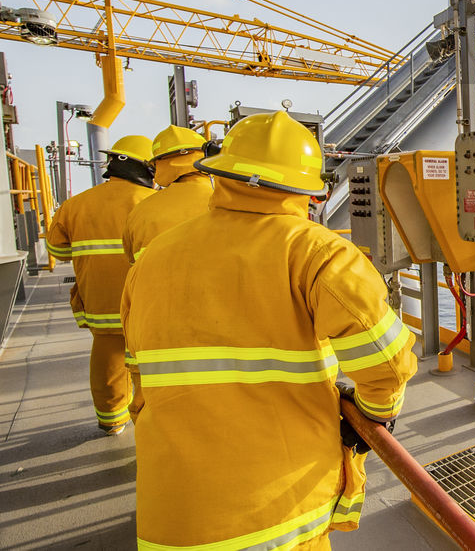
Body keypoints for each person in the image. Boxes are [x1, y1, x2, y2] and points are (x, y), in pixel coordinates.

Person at [121, 111, 417, 550]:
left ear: (221, 171)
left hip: (175, 512)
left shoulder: (153, 259)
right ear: (306, 189)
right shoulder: (319, 253)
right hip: (280, 513)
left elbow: (138, 378)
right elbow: (386, 365)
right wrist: (373, 413)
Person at [46, 134, 156, 434]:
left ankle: (111, 420)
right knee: (147, 360)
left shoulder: (75, 204)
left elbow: (59, 253)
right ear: (147, 169)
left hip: (100, 302)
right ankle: (147, 420)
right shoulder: (153, 204)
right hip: (144, 301)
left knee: (107, 353)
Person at [122, 124, 215, 263]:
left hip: (156, 284)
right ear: (205, 156)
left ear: (158, 165)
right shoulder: (228, 200)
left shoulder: (140, 212)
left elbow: (132, 263)